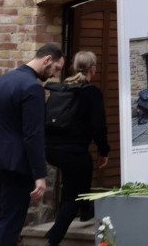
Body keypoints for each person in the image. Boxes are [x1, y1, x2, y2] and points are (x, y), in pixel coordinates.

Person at [0, 43, 63, 246]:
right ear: (47, 59)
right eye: (56, 68)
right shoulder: (32, 87)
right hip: (15, 165)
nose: (54, 74)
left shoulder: (3, 80)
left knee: (3, 221)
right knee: (10, 225)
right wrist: (39, 174)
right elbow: (33, 134)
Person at [44, 51, 109, 246]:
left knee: (79, 172)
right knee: (72, 197)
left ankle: (86, 211)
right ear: (93, 69)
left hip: (52, 149)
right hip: (73, 152)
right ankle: (52, 239)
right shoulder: (91, 93)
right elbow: (99, 127)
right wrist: (104, 151)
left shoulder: (62, 88)